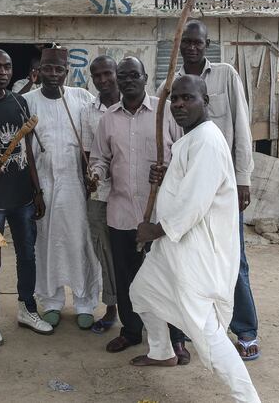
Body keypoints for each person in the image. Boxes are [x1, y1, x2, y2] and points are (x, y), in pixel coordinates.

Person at [131, 75, 260, 403]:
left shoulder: (206, 139)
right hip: (173, 248)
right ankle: (162, 352)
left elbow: (193, 204)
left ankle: (248, 398)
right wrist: (166, 175)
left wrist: (153, 230)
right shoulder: (191, 139)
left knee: (206, 334)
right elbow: (183, 186)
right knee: (143, 292)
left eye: (187, 98)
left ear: (206, 102)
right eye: (174, 99)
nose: (178, 105)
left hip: (195, 250)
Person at [157, 19, 259, 360]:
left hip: (221, 188)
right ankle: (187, 331)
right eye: (186, 41)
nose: (191, 47)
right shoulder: (168, 84)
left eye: (197, 42)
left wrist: (242, 176)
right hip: (186, 188)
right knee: (188, 260)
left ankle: (245, 330)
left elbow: (241, 126)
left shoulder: (226, 75)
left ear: (207, 44)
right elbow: (169, 137)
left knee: (233, 258)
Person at [88, 57, 189, 365]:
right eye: (123, 76)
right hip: (121, 212)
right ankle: (132, 331)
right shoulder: (108, 118)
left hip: (160, 216)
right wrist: (96, 173)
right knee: (127, 277)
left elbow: (185, 159)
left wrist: (168, 169)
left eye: (134, 75)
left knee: (169, 278)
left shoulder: (164, 112)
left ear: (146, 77)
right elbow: (100, 158)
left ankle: (176, 339)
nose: (128, 80)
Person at [0, 49, 53, 345]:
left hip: (21, 197)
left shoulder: (19, 102)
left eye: (7, 67)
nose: (4, 72)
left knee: (27, 255)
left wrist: (36, 190)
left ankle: (26, 308)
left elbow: (28, 151)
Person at [25, 46, 101, 330]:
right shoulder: (29, 101)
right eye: (48, 68)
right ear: (39, 70)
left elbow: (98, 133)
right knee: (46, 243)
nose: (53, 74)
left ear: (66, 72)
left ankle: (84, 302)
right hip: (43, 184)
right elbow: (27, 150)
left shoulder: (82, 98)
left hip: (75, 184)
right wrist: (34, 192)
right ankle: (52, 301)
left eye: (59, 69)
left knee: (80, 242)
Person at [81, 56, 118, 334]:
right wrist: (91, 179)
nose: (103, 80)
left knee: (138, 253)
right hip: (100, 195)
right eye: (97, 76)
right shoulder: (88, 111)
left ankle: (144, 310)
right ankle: (112, 307)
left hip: (133, 196)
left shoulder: (140, 105)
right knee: (105, 252)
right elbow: (86, 154)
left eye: (108, 74)